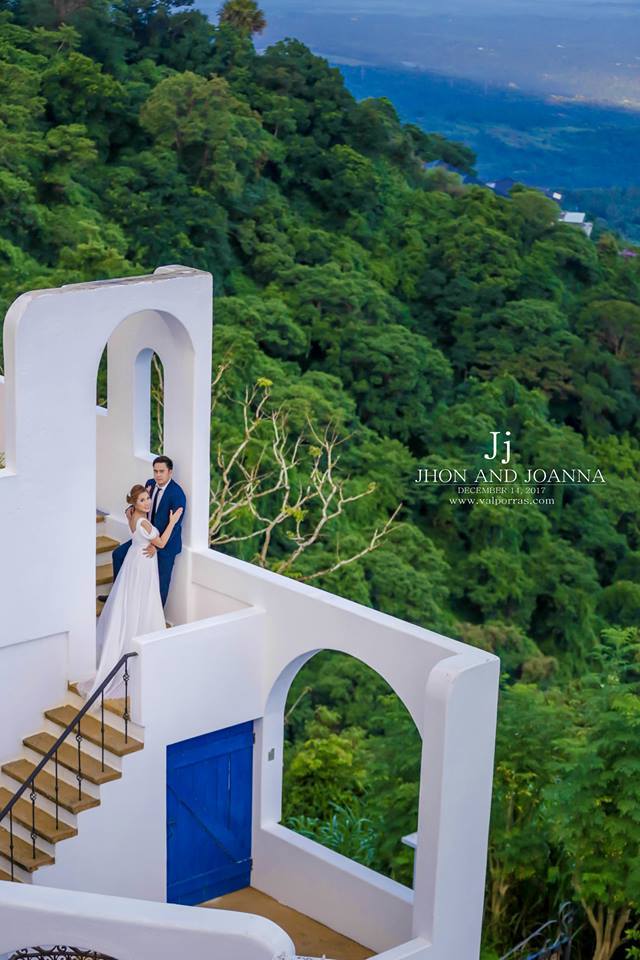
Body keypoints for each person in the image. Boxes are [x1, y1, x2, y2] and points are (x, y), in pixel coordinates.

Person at [80, 485, 183, 700]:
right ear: (135, 503)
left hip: (134, 559)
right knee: (143, 600)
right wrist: (172, 522)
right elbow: (162, 542)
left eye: (147, 498)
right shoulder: (144, 521)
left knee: (132, 599)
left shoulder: (131, 515)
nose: (147, 502)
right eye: (143, 500)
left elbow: (142, 537)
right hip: (143, 565)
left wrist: (150, 544)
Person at [107, 455, 186, 608]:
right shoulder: (150, 484)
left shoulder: (177, 494)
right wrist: (131, 510)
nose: (157, 475)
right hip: (146, 535)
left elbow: (175, 526)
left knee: (161, 583)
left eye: (161, 471)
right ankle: (117, 596)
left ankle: (157, 618)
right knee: (118, 554)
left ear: (170, 472)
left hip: (165, 544)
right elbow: (140, 504)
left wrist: (155, 546)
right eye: (155, 471)